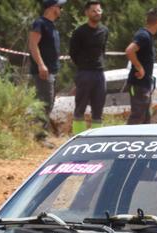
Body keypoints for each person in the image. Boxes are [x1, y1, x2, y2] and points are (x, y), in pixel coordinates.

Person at [69, 1, 109, 134]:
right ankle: (77, 137)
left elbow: (103, 50)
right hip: (84, 73)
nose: (97, 13)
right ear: (87, 13)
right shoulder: (79, 32)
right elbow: (73, 53)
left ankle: (97, 137)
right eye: (94, 11)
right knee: (80, 108)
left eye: (99, 10)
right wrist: (82, 66)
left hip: (99, 74)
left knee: (98, 109)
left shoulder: (104, 30)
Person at [28, 0, 65, 136]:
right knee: (45, 103)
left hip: (53, 70)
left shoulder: (52, 26)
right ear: (52, 7)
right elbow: (33, 44)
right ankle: (39, 136)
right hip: (44, 71)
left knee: (48, 103)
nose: (61, 9)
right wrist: (41, 64)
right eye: (60, 7)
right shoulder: (40, 23)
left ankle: (39, 132)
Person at [125, 7, 157, 125]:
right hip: (138, 84)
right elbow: (129, 51)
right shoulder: (144, 35)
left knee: (145, 119)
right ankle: (126, 141)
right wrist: (140, 68)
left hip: (144, 85)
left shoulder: (147, 36)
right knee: (137, 117)